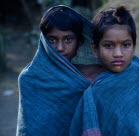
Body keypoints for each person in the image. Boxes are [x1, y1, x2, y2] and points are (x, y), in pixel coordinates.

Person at [69, 4, 139, 136]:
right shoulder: (95, 90)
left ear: (134, 46)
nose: (118, 53)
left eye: (126, 45)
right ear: (95, 49)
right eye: (108, 45)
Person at [16, 5, 102, 136]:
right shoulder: (30, 79)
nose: (60, 48)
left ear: (79, 42)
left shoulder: (96, 75)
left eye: (68, 39)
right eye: (52, 39)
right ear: (44, 41)